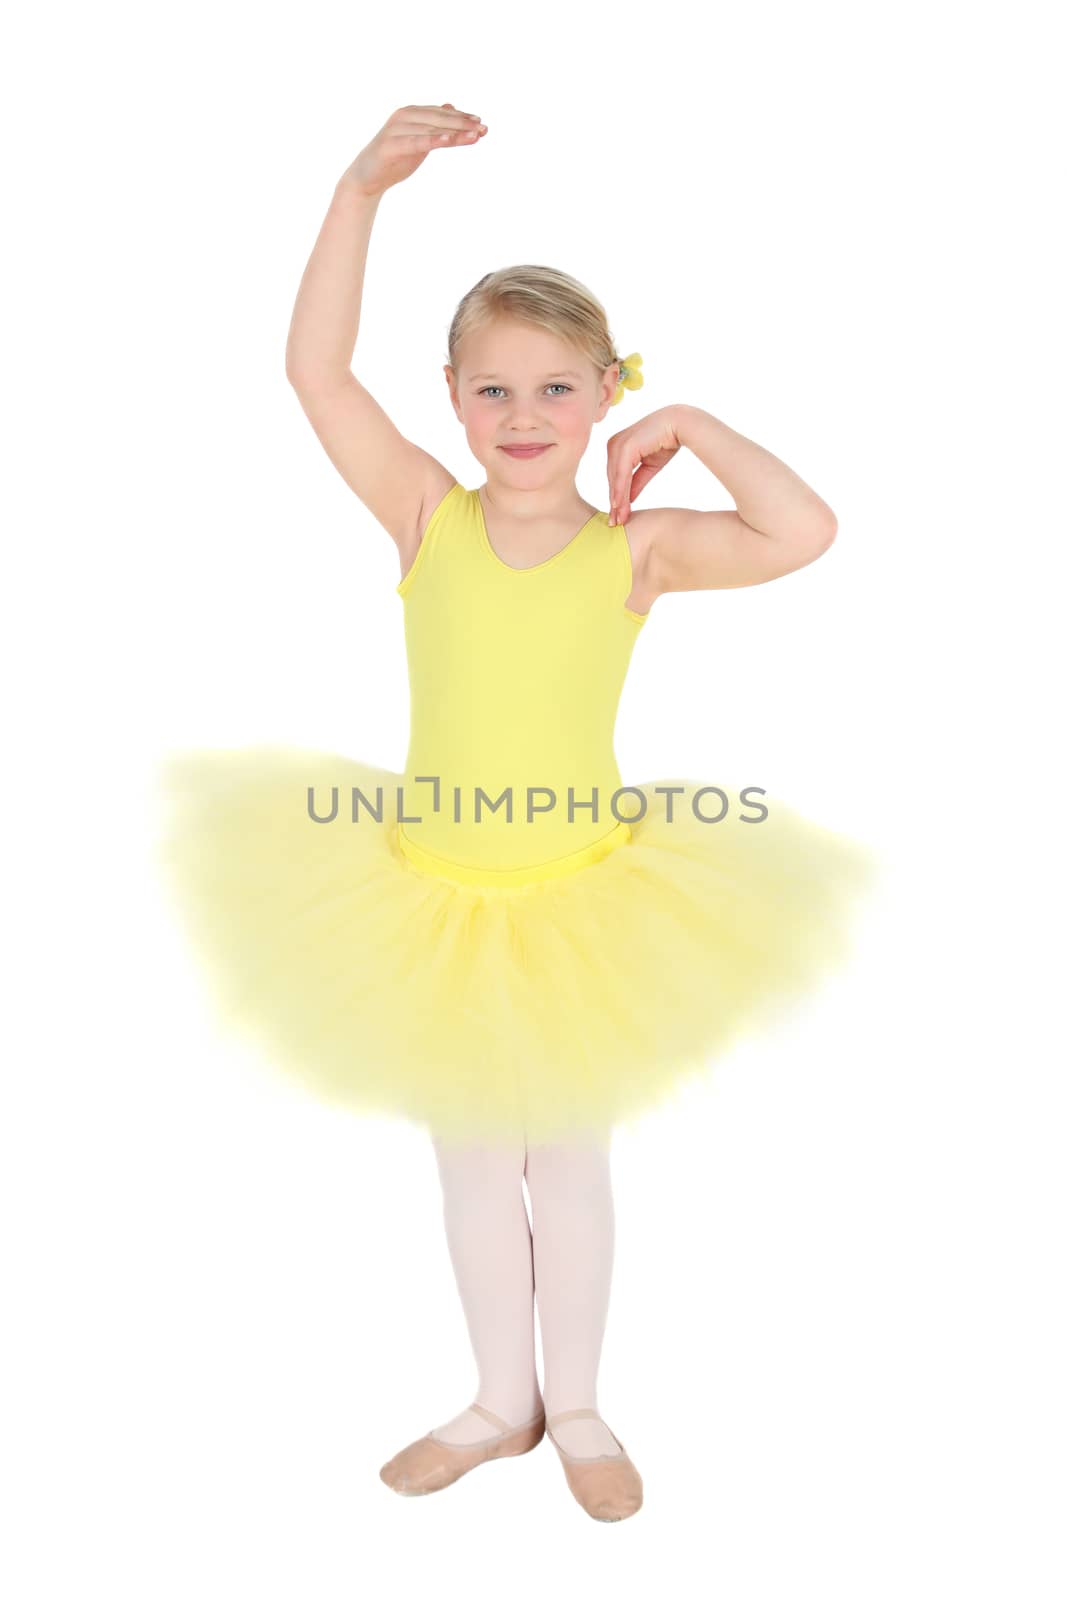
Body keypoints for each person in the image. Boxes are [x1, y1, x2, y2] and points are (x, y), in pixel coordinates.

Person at [153, 102, 880, 1522]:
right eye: (494, 391)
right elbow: (313, 373)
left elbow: (805, 532)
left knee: (573, 1159)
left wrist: (700, 424)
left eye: (560, 390)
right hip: (427, 892)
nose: (526, 418)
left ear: (607, 393)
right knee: (476, 1164)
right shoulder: (429, 517)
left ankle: (586, 1402)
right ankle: (502, 1400)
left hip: (586, 897)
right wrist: (361, 185)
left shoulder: (641, 550)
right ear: (451, 398)